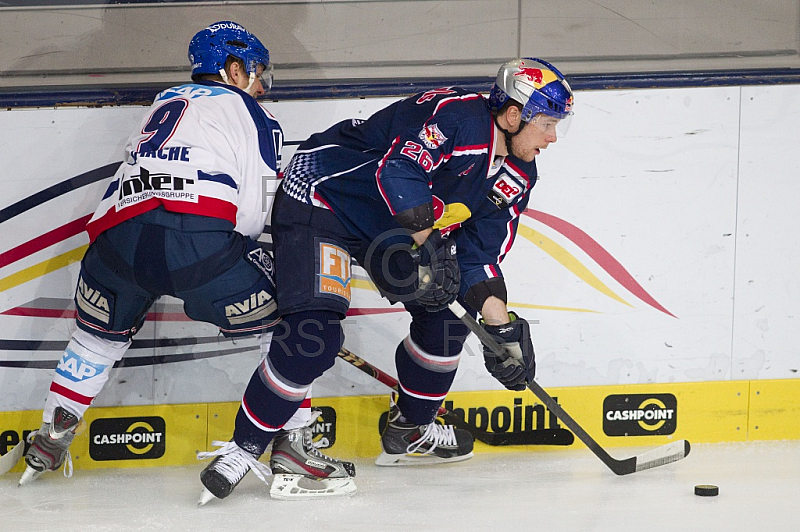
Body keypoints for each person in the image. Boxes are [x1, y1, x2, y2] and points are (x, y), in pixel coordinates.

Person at [200, 57, 573, 501]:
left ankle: (410, 429)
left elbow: (479, 253)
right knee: (313, 335)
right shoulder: (459, 117)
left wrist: (501, 328)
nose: (552, 138)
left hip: (389, 226)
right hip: (325, 200)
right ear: (514, 115)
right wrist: (430, 247)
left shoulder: (517, 174)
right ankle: (244, 449)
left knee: (451, 320)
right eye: (547, 124)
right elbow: (398, 171)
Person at [19, 21, 354, 497]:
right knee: (297, 317)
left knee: (97, 339)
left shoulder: (166, 99)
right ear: (234, 68)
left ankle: (49, 440)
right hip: (198, 244)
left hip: (115, 243)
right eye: (258, 74)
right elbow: (253, 215)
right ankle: (293, 446)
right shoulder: (254, 115)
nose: (262, 87)